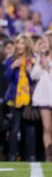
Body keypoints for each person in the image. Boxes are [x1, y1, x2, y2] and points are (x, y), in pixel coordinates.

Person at [4, 34, 36, 161]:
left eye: (22, 43)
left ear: (27, 44)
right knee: (14, 128)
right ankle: (12, 155)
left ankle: (30, 156)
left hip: (29, 99)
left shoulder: (33, 59)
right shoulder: (11, 59)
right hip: (14, 99)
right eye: (17, 43)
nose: (19, 46)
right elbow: (6, 78)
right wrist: (12, 68)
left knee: (30, 130)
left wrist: (30, 72)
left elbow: (35, 80)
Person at [31, 31, 52, 161]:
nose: (42, 44)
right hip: (44, 97)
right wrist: (40, 64)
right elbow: (33, 76)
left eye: (44, 41)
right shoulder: (40, 57)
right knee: (47, 127)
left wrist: (48, 66)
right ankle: (48, 156)